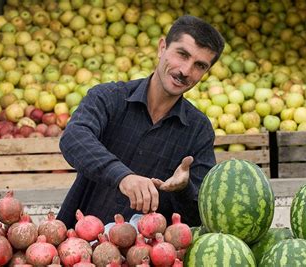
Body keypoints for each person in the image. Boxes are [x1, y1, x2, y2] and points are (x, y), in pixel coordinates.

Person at [57, 15, 225, 229]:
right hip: (78, 245)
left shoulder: (199, 131)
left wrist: (184, 189)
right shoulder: (109, 97)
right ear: (162, 48)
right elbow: (74, 139)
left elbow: (199, 218)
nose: (185, 71)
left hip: (147, 256)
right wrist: (123, 177)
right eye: (182, 54)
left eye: (199, 65)